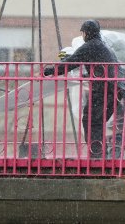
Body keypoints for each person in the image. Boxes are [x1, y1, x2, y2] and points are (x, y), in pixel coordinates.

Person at [43, 19, 117, 157]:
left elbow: (71, 62)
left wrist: (50, 70)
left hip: (103, 89)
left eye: (83, 33)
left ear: (86, 33)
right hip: (115, 89)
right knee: (97, 122)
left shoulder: (90, 45)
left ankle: (97, 156)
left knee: (90, 120)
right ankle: (101, 154)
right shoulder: (102, 45)